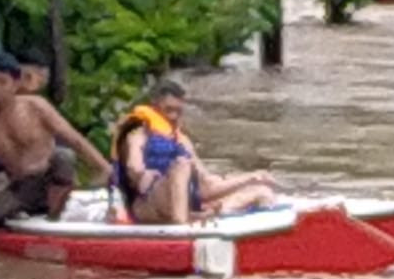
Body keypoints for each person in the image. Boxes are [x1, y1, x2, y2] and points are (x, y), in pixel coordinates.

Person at [0, 54, 111, 258]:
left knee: (63, 156)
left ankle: (57, 218)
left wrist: (104, 167)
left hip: (50, 183)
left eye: (3, 82)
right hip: (21, 190)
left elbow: (74, 138)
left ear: (16, 84)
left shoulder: (35, 107)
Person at [113, 80, 277, 225]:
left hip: (184, 201)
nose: (174, 116)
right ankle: (183, 225)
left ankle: (211, 212)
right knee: (182, 165)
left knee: (261, 191)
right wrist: (143, 174)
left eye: (178, 111)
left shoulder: (181, 139)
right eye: (169, 110)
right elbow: (134, 166)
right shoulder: (140, 133)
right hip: (148, 203)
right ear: (154, 106)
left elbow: (207, 185)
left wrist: (252, 177)